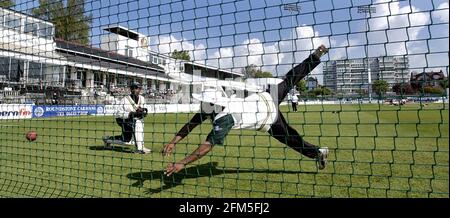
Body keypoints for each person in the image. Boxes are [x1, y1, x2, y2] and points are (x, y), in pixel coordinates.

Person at [162, 45, 330, 176]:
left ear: (214, 102)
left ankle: (317, 152)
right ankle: (316, 56)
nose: (204, 104)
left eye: (206, 101)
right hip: (267, 96)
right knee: (291, 78)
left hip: (268, 117)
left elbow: (207, 146)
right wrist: (173, 142)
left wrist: (182, 163)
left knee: (291, 139)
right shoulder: (214, 103)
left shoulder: (225, 118)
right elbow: (191, 124)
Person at [103, 82, 151, 154]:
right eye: (134, 88)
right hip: (123, 120)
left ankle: (107, 139)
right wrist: (130, 114)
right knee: (130, 136)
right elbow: (119, 113)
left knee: (128, 140)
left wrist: (144, 110)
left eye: (137, 88)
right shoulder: (125, 99)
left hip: (136, 120)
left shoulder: (142, 98)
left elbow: (146, 109)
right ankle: (139, 148)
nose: (135, 90)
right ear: (131, 89)